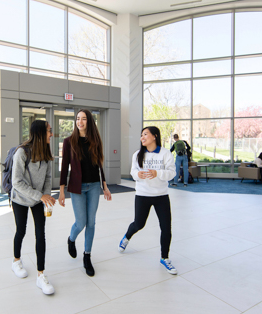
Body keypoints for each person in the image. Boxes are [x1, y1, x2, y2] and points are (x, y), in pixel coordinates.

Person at [118, 126, 178, 275]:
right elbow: (133, 172)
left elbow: (172, 173)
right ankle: (126, 237)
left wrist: (157, 172)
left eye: (145, 134)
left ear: (155, 136)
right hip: (143, 194)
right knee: (139, 224)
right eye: (141, 135)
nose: (142, 137)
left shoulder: (165, 153)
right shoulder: (137, 154)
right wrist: (139, 174)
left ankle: (165, 257)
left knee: (166, 227)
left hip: (161, 195)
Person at [59, 109, 112, 277]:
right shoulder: (69, 142)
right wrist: (61, 191)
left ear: (89, 122)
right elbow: (64, 167)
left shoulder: (95, 140)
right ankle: (71, 239)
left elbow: (99, 164)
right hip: (77, 187)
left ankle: (87, 256)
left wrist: (105, 185)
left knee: (91, 223)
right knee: (81, 222)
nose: (79, 122)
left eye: (83, 119)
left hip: (94, 185)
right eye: (77, 119)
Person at [10, 120, 56, 295]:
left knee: (40, 234)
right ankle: (16, 261)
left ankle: (41, 275)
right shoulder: (21, 153)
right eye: (49, 131)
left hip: (38, 200)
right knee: (21, 230)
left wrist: (44, 197)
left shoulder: (46, 153)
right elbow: (17, 182)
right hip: (20, 199)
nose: (51, 134)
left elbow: (47, 178)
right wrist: (40, 195)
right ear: (39, 133)